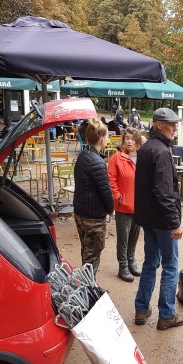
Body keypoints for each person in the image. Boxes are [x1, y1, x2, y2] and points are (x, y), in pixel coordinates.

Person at [133, 108, 183, 331]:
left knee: (149, 263)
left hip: (149, 219)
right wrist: (174, 223)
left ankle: (141, 308)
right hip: (163, 221)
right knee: (170, 266)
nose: (175, 127)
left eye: (175, 123)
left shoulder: (146, 148)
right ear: (157, 125)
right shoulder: (161, 152)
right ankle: (167, 314)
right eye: (170, 124)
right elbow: (164, 193)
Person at [73, 118, 114, 278]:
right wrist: (110, 209)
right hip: (93, 218)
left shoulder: (84, 155)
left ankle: (87, 287)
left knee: (86, 251)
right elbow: (106, 191)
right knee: (92, 257)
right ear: (102, 138)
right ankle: (88, 292)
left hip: (81, 213)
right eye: (107, 136)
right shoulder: (97, 162)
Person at [108, 127, 143, 283]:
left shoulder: (142, 157)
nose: (129, 141)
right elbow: (111, 179)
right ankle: (123, 266)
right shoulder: (117, 157)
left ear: (137, 141)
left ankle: (131, 261)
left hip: (139, 205)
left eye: (132, 138)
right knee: (123, 237)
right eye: (127, 138)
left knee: (134, 236)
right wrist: (117, 196)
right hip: (123, 205)